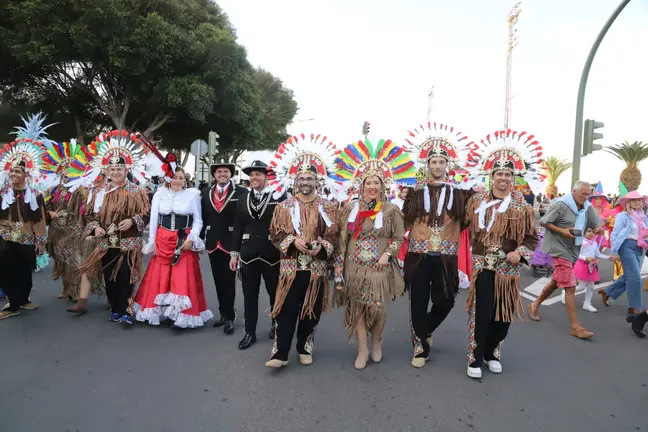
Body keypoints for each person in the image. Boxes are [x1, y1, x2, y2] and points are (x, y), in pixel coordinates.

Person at [463, 129, 542, 379]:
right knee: (482, 313)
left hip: (508, 270)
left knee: (503, 316)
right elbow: (462, 225)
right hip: (483, 267)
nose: (503, 178)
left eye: (508, 174)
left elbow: (531, 239)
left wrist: (520, 252)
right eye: (499, 174)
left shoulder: (523, 207)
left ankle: (492, 353)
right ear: (491, 177)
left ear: (514, 178)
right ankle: (475, 357)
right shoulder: (476, 203)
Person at [332, 138, 414, 369]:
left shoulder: (391, 210)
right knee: (357, 305)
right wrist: (338, 265)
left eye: (376, 182)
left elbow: (399, 237)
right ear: (362, 185)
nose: (372, 186)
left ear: (383, 185)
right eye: (369, 182)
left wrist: (387, 254)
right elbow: (342, 239)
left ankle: (376, 341)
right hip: (354, 266)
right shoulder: (350, 209)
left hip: (379, 266)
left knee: (377, 306)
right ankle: (362, 349)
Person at [264, 134, 344, 368]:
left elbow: (334, 235)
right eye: (302, 178)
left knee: (311, 311)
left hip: (316, 269)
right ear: (295, 180)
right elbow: (275, 234)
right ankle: (280, 353)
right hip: (290, 268)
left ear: (317, 181)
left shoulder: (328, 207)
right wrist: (291, 241)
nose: (306, 182)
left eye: (310, 178)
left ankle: (304, 346)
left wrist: (322, 246)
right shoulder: (283, 207)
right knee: (285, 311)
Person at [401, 122, 474, 368]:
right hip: (418, 255)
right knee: (417, 302)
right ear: (427, 165)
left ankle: (426, 329)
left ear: (447, 166)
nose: (438, 166)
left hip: (446, 256)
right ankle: (420, 347)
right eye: (434, 162)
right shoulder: (414, 193)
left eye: (442, 162)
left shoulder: (461, 195)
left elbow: (468, 221)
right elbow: (403, 221)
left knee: (446, 301)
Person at [77, 130, 151, 325]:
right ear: (107, 171)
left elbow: (146, 213)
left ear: (127, 170)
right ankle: (114, 305)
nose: (116, 172)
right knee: (110, 276)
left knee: (127, 275)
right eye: (113, 169)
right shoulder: (99, 192)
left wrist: (133, 221)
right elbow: (89, 214)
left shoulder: (136, 191)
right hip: (107, 241)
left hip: (129, 241)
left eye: (120, 168)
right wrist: (95, 228)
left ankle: (126, 309)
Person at [134, 155, 212, 328]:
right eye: (175, 177)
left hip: (183, 240)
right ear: (169, 179)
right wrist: (152, 241)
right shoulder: (159, 194)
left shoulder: (192, 195)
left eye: (181, 178)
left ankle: (181, 317)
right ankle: (164, 312)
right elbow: (154, 219)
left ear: (185, 180)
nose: (178, 181)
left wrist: (192, 238)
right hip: (162, 239)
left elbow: (198, 220)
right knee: (161, 277)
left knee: (182, 277)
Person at [528, 181, 604, 339]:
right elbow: (544, 221)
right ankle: (576, 326)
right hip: (558, 248)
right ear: (574, 192)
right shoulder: (562, 204)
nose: (586, 196)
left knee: (557, 281)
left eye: (588, 193)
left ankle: (534, 304)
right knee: (569, 286)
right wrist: (562, 231)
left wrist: (598, 228)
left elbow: (596, 224)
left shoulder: (587, 207)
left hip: (574, 249)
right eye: (583, 193)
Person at [230, 160, 286, 350]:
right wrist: (234, 254)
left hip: (272, 254)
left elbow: (286, 225)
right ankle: (249, 332)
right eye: (252, 175)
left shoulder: (278, 196)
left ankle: (276, 326)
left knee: (274, 294)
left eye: (258, 175)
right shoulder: (243, 198)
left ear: (266, 177)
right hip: (248, 254)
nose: (254, 178)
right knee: (249, 296)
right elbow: (238, 226)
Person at [0, 129, 50, 320]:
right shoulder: (3, 193)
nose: (13, 174)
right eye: (11, 170)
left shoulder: (35, 195)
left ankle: (23, 299)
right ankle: (13, 304)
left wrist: (40, 240)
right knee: (7, 270)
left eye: (17, 171)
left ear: (26, 174)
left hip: (27, 238)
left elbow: (39, 219)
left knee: (25, 270)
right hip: (5, 238)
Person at [201, 159, 246, 334]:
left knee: (229, 280)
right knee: (218, 280)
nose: (222, 174)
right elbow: (203, 218)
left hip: (231, 242)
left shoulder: (240, 192)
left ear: (231, 175)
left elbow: (242, 219)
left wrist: (242, 242)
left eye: (226, 172)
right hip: (213, 242)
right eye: (219, 172)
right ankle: (222, 313)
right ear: (214, 175)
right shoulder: (206, 193)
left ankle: (229, 316)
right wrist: (198, 239)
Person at [600, 190, 648, 315]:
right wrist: (614, 251)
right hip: (626, 246)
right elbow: (615, 234)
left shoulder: (644, 217)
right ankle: (634, 307)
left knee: (630, 275)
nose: (637, 202)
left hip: (639, 247)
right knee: (636, 278)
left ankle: (607, 291)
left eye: (638, 200)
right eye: (634, 200)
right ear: (628, 203)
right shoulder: (622, 216)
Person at [561, 227, 613, 312]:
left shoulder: (594, 243)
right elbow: (577, 254)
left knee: (591, 286)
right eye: (589, 231)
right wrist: (586, 258)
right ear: (583, 232)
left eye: (593, 232)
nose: (591, 233)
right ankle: (565, 293)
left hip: (591, 266)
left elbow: (598, 254)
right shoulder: (581, 242)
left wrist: (608, 257)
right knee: (582, 286)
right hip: (582, 265)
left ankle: (587, 303)